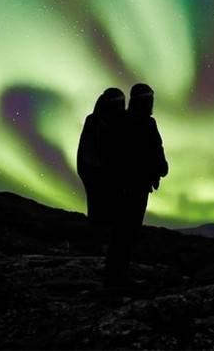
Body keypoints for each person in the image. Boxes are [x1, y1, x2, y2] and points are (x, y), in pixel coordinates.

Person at [104, 82, 168, 283]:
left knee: (122, 232)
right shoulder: (146, 124)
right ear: (144, 101)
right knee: (127, 231)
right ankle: (116, 277)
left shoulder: (119, 121)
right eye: (150, 101)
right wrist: (159, 168)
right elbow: (156, 150)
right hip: (134, 188)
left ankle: (115, 274)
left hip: (124, 187)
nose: (152, 105)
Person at [76, 87, 125, 226]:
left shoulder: (120, 122)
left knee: (108, 214)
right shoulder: (94, 121)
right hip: (95, 174)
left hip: (108, 175)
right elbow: (86, 149)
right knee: (98, 213)